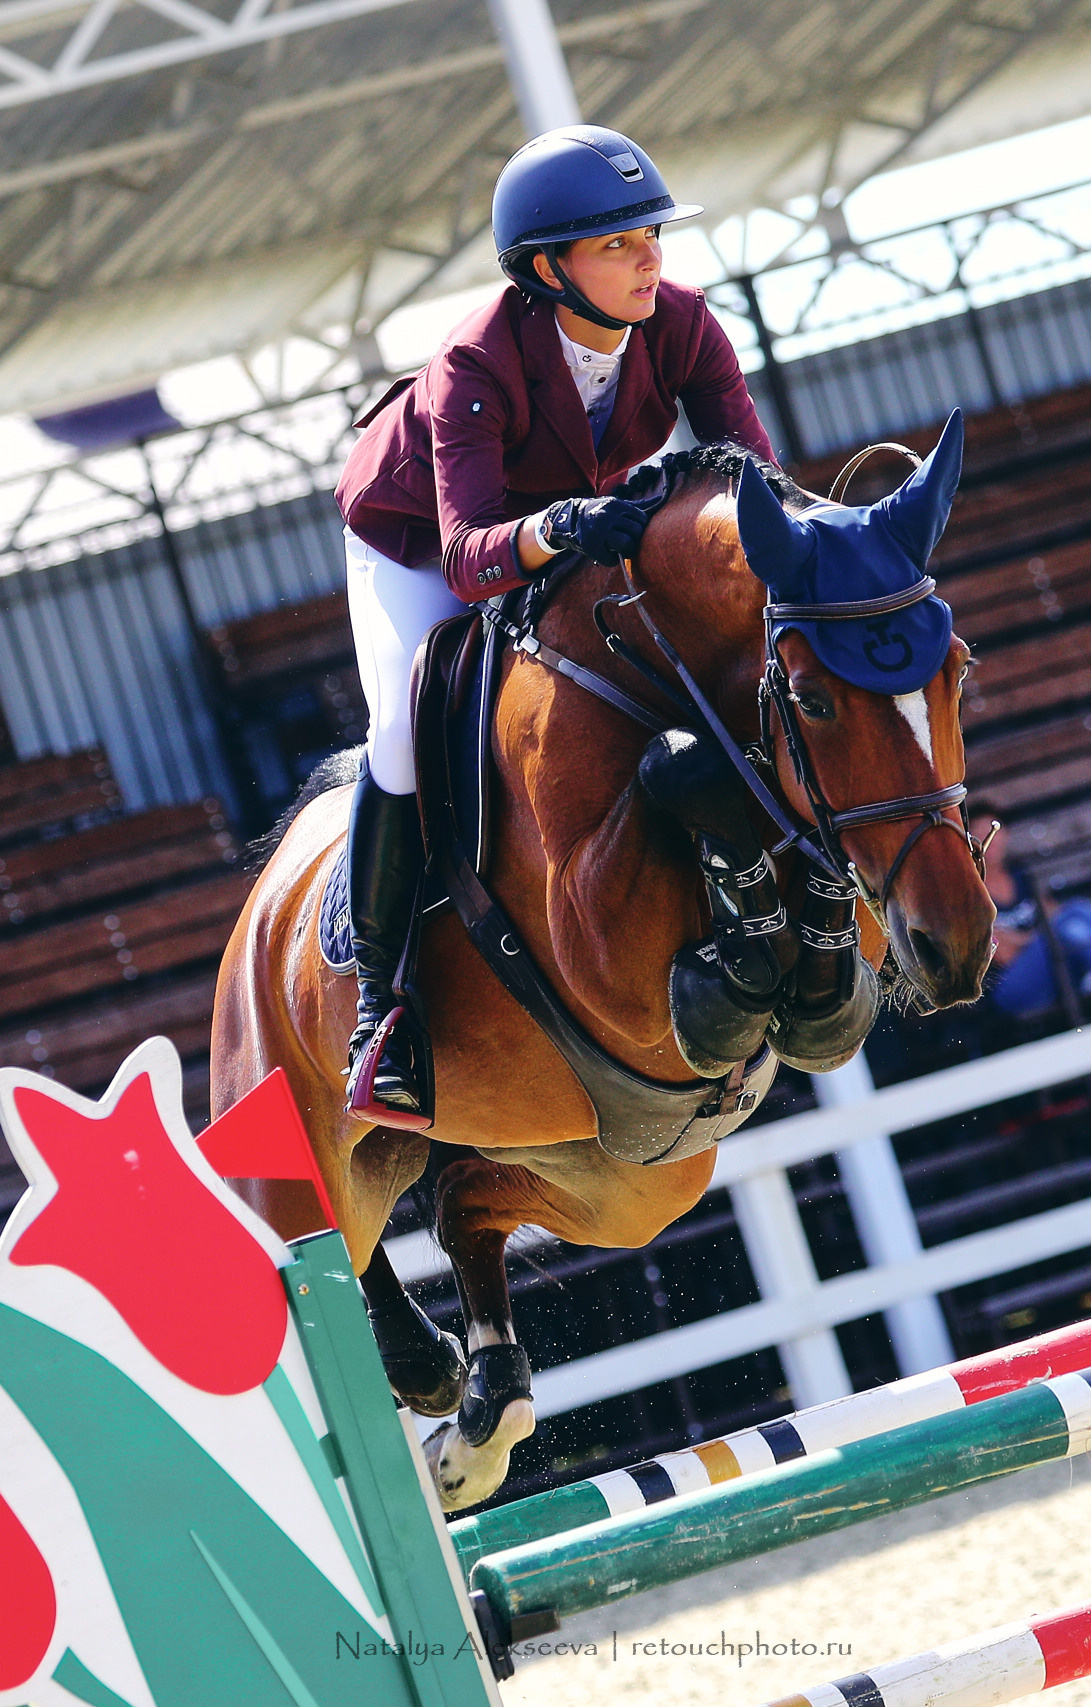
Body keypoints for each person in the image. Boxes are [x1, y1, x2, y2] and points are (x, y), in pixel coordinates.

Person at [330, 125, 779, 1129]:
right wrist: (560, 527)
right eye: (618, 244)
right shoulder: (475, 361)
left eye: (651, 235)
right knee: (401, 736)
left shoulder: (686, 324)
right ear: (549, 267)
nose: (649, 258)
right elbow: (464, 558)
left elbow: (755, 479)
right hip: (416, 547)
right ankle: (381, 1012)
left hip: (578, 523)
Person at [975, 811, 1091, 1019]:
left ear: (1005, 834)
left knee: (1076, 911)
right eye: (979, 832)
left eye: (993, 830)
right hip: (1011, 986)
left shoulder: (1020, 875)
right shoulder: (972, 892)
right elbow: (1003, 955)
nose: (988, 838)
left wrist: (1022, 938)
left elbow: (1054, 912)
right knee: (1067, 927)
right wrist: (1042, 935)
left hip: (1051, 966)